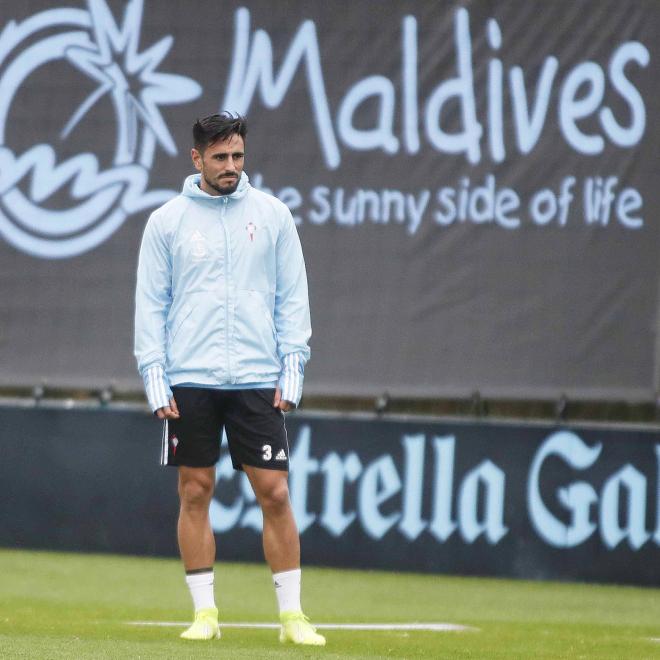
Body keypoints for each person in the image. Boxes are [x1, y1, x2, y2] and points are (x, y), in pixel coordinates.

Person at [134, 112, 324, 646]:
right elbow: (151, 305)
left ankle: (292, 617)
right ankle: (205, 615)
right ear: (196, 159)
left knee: (276, 492)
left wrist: (292, 368)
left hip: (257, 375)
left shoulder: (273, 215)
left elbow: (293, 296)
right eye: (220, 158)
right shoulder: (166, 221)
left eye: (238, 156)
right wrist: (155, 377)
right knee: (195, 490)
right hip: (188, 376)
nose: (231, 167)